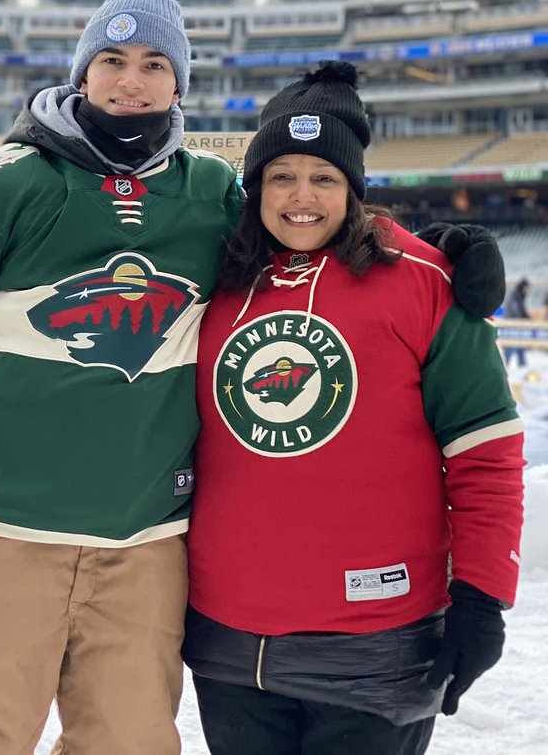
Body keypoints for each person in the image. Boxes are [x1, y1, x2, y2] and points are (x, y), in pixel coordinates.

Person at [0, 0, 507, 754]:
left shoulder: (210, 194)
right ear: (81, 70)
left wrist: (436, 248)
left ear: (180, 85)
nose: (130, 81)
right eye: (112, 59)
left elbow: (309, 212)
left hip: (145, 548)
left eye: (153, 65)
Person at [183, 61, 525, 755]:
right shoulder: (213, 282)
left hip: (379, 654)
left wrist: (483, 600)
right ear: (255, 191)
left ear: (354, 189)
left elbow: (486, 458)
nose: (301, 196)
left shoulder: (424, 282)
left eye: (324, 177)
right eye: (281, 176)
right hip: (228, 651)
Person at [502, 277, 531, 367]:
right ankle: (506, 366)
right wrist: (525, 318)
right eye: (526, 288)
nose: (527, 291)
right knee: (511, 347)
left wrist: (527, 317)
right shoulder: (515, 297)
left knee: (520, 346)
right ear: (523, 287)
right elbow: (515, 313)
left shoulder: (519, 297)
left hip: (516, 326)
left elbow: (522, 311)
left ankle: (522, 365)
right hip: (511, 326)